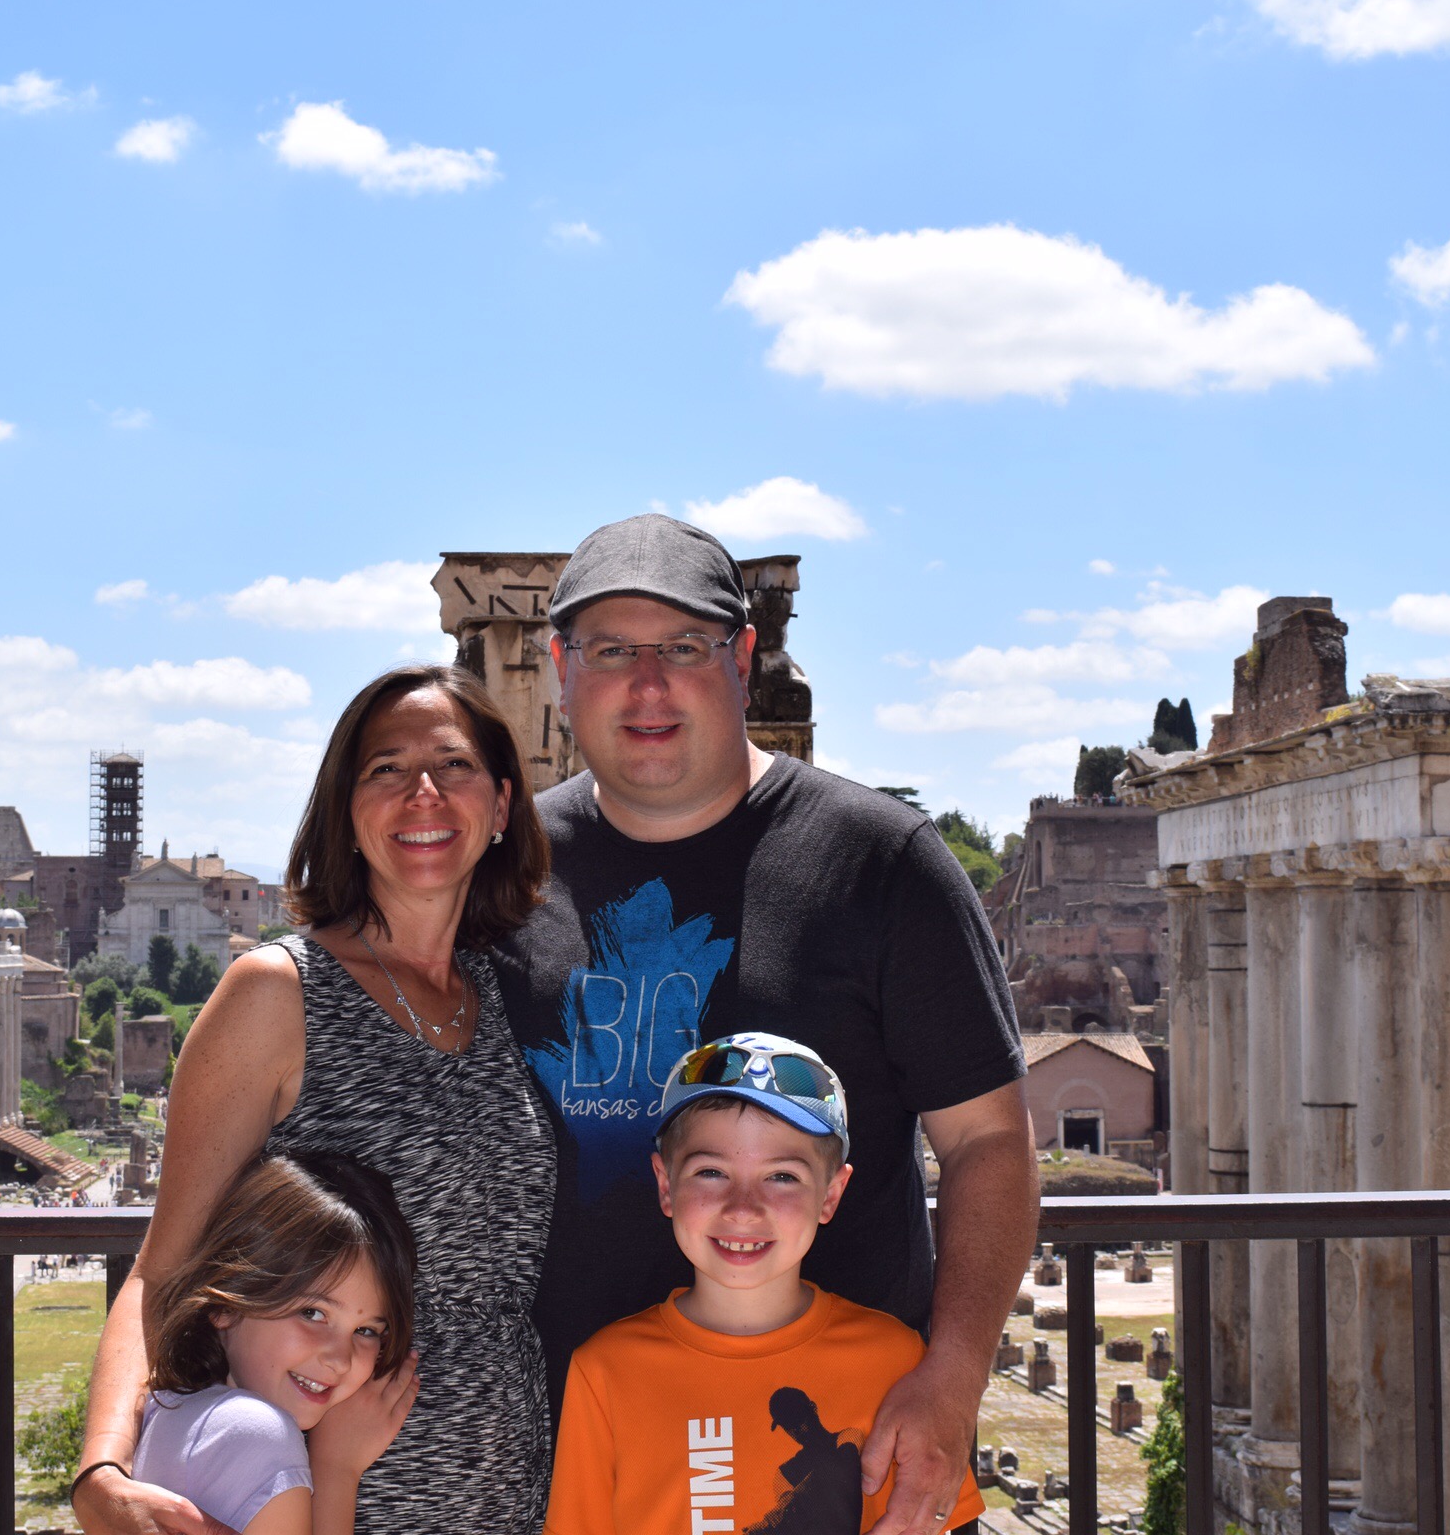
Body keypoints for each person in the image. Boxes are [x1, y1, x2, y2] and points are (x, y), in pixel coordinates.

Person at [492, 514, 1038, 1535]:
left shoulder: (884, 862)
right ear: (562, 671)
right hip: (587, 1466)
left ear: (741, 660)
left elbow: (989, 1142)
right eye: (610, 652)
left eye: (683, 647)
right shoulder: (504, 876)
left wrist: (954, 1378)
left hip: (857, 1474)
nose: (647, 686)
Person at [76, 663, 557, 1535]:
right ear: (346, 812)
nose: (422, 792)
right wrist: (102, 1469)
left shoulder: (509, 994)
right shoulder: (276, 994)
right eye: (386, 769)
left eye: (453, 765)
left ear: (500, 807)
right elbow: (163, 1267)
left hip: (517, 1500)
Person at [543, 1034, 984, 1534]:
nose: (743, 1208)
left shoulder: (897, 1360)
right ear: (666, 1184)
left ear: (831, 1194)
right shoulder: (604, 1371)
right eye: (712, 1172)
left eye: (782, 1177)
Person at [114, 1150, 420, 1535]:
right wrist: (336, 1469)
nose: (341, 1360)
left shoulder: (169, 1408)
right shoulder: (258, 1434)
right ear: (226, 1303)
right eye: (312, 1313)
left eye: (366, 1331)